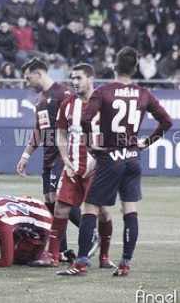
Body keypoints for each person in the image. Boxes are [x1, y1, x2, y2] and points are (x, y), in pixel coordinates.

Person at [57, 47, 173, 277]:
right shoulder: (143, 94)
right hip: (132, 157)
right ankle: (125, 264)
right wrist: (146, 142)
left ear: (114, 68)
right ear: (135, 69)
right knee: (129, 210)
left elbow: (86, 118)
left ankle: (81, 263)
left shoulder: (104, 92)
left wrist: (90, 144)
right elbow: (166, 121)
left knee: (90, 208)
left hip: (110, 157)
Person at [29, 63, 115, 269]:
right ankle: (53, 255)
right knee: (60, 209)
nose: (75, 82)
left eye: (79, 78)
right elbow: (60, 133)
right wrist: (66, 159)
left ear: (91, 79)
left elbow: (113, 137)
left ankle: (104, 256)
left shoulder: (105, 105)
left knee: (102, 213)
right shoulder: (68, 104)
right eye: (73, 78)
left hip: (98, 169)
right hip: (72, 167)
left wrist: (97, 160)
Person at [16, 59, 81, 257]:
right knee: (51, 203)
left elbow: (78, 124)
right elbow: (39, 130)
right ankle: (61, 251)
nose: (28, 83)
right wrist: (26, 155)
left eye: (28, 78)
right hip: (48, 158)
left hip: (63, 158)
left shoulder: (64, 94)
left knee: (60, 201)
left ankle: (93, 231)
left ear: (39, 74)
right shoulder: (40, 100)